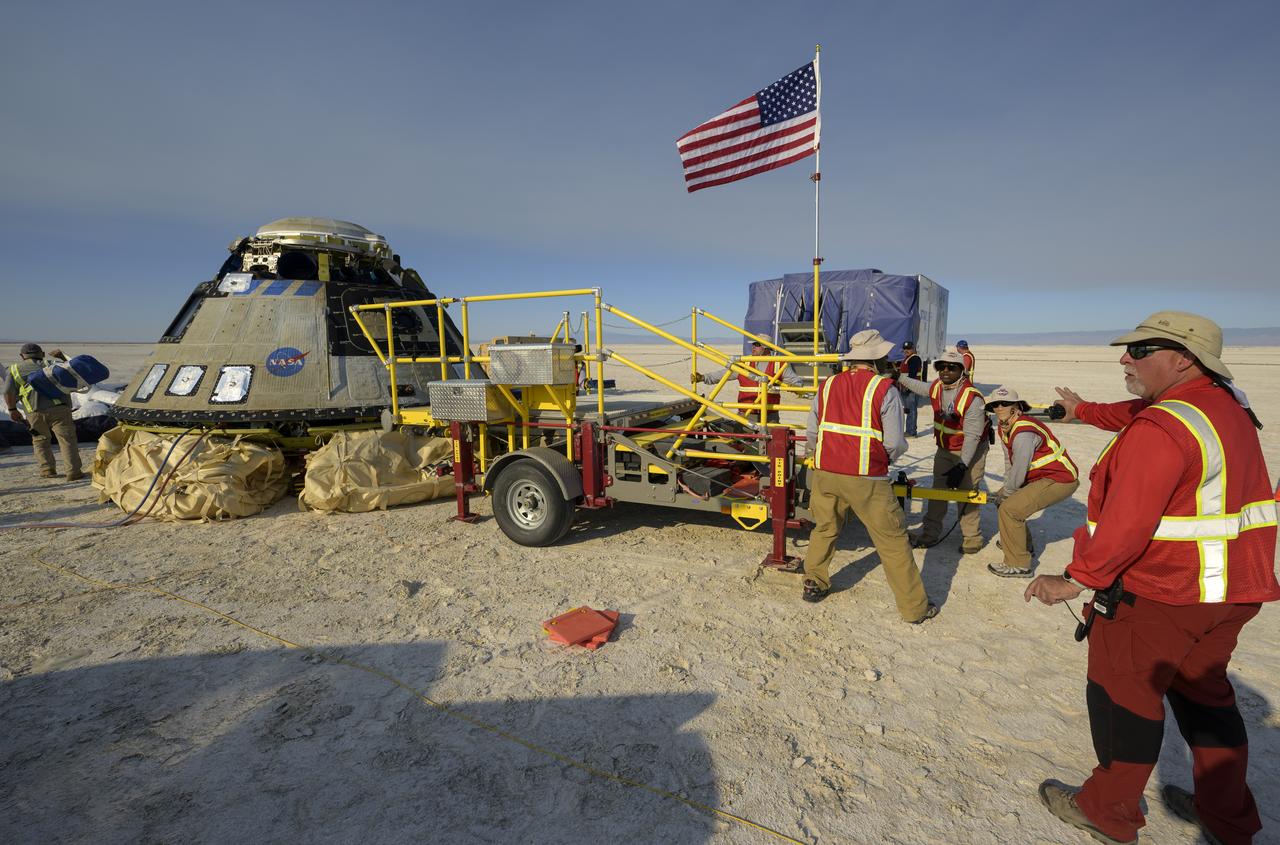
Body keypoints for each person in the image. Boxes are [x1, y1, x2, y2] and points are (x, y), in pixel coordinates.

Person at [1025, 311, 1278, 845]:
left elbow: (1126, 522)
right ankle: (1227, 816)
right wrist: (1084, 411)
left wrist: (1074, 579)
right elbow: (1141, 414)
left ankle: (1107, 809)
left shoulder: (1161, 430)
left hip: (1161, 594)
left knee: (1123, 697)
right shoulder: (1224, 404)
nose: (1124, 358)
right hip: (1229, 591)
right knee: (1206, 701)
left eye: (1140, 352)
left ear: (1183, 358)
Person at [799, 329, 938, 623]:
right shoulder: (883, 389)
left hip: (825, 472)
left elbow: (813, 432)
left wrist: (826, 455)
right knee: (892, 540)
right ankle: (915, 608)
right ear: (878, 358)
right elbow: (895, 442)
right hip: (866, 478)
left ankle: (814, 581)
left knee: (824, 527)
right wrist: (880, 460)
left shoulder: (827, 385)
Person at [898, 349, 990, 553]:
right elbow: (921, 387)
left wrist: (962, 465)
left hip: (970, 452)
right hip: (945, 448)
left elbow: (973, 437)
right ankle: (930, 534)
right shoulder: (938, 387)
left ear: (962, 371)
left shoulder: (972, 398)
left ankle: (972, 539)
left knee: (966, 494)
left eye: (952, 367)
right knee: (938, 492)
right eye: (941, 367)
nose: (945, 371)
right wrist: (899, 377)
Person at [984, 386, 1079, 577]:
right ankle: (1019, 542)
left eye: (1005, 403)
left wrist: (1009, 492)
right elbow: (1009, 462)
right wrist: (1005, 488)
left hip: (1059, 479)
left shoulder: (1023, 432)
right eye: (996, 404)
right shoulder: (1006, 426)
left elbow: (1019, 469)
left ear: (1016, 406)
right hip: (1042, 477)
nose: (1000, 407)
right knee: (1004, 501)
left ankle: (1019, 564)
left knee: (1010, 509)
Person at [4, 343, 85, 481]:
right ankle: (73, 472)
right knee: (67, 441)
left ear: (22, 356)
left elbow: (8, 392)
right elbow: (74, 373)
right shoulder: (54, 364)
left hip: (34, 412)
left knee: (40, 441)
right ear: (41, 354)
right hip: (60, 409)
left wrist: (12, 409)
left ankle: (47, 470)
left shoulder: (14, 370)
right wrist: (61, 356)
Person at [695, 338, 803, 424]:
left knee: (772, 444)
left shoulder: (778, 363)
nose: (753, 347)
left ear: (766, 348)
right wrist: (704, 377)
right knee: (744, 443)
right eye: (753, 344)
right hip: (746, 413)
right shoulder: (745, 362)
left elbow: (796, 382)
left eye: (757, 345)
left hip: (770, 414)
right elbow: (724, 374)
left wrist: (795, 388)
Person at [898, 340, 923, 436]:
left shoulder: (914, 358)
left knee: (911, 409)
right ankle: (909, 430)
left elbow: (912, 374)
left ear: (913, 349)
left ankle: (911, 432)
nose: (906, 350)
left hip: (912, 388)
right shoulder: (907, 358)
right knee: (908, 409)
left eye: (908, 348)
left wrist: (908, 387)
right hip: (907, 387)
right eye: (904, 349)